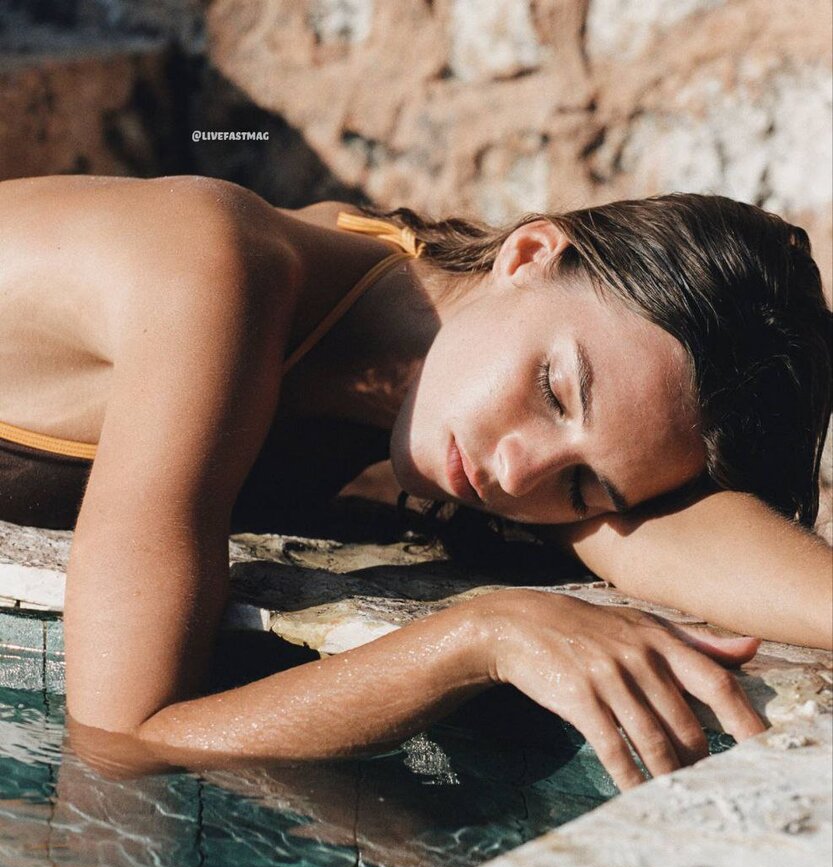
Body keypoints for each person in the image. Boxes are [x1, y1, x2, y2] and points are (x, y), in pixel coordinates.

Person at [0, 173, 830, 791]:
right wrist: (481, 637)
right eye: (553, 390)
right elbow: (121, 740)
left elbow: (668, 528)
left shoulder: (444, 364)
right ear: (530, 254)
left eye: (580, 486)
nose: (517, 471)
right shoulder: (209, 270)